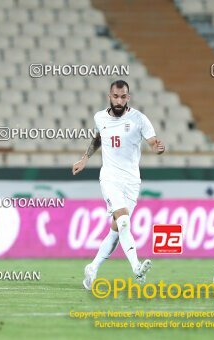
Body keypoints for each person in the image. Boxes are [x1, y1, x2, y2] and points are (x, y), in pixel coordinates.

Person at [72, 80, 165, 290]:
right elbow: (98, 138)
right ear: (109, 96)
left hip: (132, 182)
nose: (119, 100)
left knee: (116, 231)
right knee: (123, 221)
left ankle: (92, 268)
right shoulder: (100, 117)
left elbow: (152, 142)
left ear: (128, 98)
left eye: (123, 97)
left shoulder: (139, 119)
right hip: (110, 178)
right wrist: (84, 158)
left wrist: (157, 148)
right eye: (116, 96)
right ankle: (136, 268)